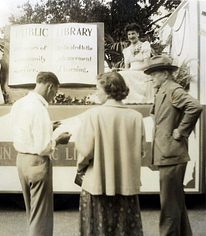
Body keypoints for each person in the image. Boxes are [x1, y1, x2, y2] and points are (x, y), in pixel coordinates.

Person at [74, 72, 146, 236]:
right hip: (126, 185)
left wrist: (80, 168)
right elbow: (140, 151)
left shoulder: (93, 115)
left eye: (97, 88)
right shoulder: (136, 117)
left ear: (108, 91)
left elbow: (85, 151)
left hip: (97, 184)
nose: (96, 92)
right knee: (124, 229)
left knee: (97, 229)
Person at [143, 55, 202, 236]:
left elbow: (195, 106)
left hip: (172, 154)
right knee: (175, 201)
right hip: (169, 153)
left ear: (166, 74)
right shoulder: (163, 90)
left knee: (169, 205)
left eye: (154, 74)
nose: (151, 78)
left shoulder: (172, 89)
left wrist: (181, 131)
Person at [11, 71, 72, 236]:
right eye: (55, 92)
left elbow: (24, 131)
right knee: (41, 216)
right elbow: (43, 147)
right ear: (50, 87)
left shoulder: (19, 104)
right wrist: (59, 140)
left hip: (22, 161)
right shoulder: (39, 109)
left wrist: (47, 127)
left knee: (32, 212)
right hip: (37, 162)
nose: (54, 96)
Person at [116, 23, 154, 103]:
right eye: (129, 34)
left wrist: (131, 70)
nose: (131, 36)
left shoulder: (145, 45)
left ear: (138, 34)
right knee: (120, 74)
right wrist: (118, 69)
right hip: (131, 72)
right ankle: (126, 100)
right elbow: (127, 69)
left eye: (133, 33)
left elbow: (147, 64)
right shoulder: (126, 50)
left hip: (142, 72)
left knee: (124, 74)